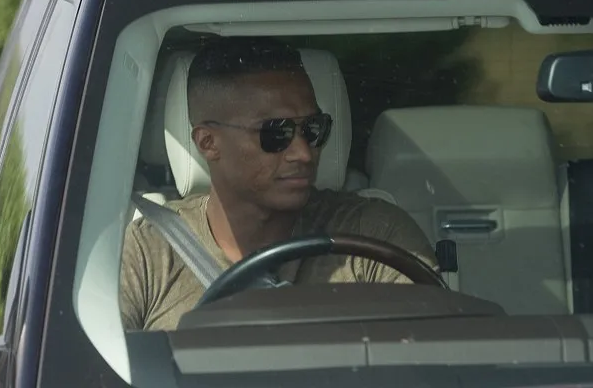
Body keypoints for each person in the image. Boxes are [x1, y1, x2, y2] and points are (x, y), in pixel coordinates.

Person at [120, 37, 439, 331]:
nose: (304, 153)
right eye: (275, 133)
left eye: (313, 128)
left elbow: (434, 353)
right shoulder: (149, 255)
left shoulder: (374, 237)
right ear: (208, 143)